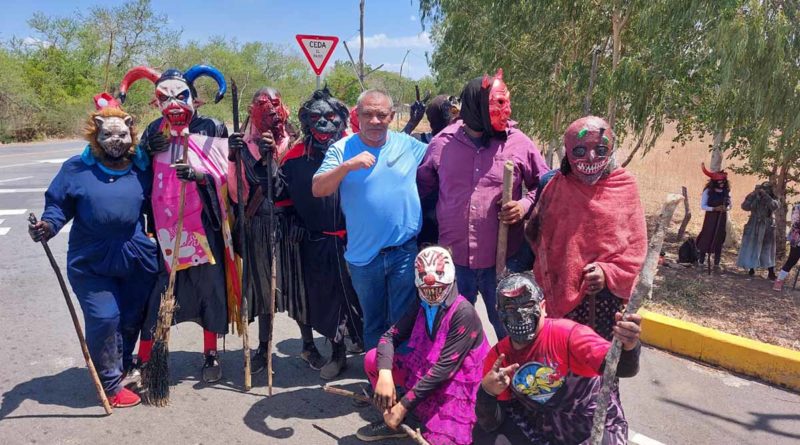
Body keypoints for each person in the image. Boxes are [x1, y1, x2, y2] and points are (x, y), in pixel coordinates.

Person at [29, 94, 159, 407]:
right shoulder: (76, 169)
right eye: (108, 134)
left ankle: (121, 363)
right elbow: (59, 205)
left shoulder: (142, 167)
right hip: (91, 259)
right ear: (96, 134)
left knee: (131, 317)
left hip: (136, 255)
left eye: (122, 134)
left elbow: (158, 204)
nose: (116, 140)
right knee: (104, 317)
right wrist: (48, 226)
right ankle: (111, 385)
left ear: (131, 132)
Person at [118, 65, 236, 383]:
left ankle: (210, 354)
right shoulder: (155, 131)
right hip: (166, 228)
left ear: (195, 100)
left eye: (180, 96)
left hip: (204, 225)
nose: (173, 105)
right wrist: (145, 149)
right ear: (156, 102)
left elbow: (227, 175)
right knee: (159, 294)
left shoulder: (212, 127)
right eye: (164, 98)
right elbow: (139, 174)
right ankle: (145, 357)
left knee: (209, 290)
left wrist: (200, 177)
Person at [418, 69, 547, 339]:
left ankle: (508, 380)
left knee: (510, 334)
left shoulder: (519, 143)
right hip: (453, 261)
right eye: (498, 104)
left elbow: (544, 185)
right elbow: (423, 189)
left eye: (507, 101)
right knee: (456, 336)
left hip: (501, 263)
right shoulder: (443, 144)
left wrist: (523, 205)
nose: (506, 109)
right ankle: (468, 380)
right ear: (476, 106)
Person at [312, 89, 428, 350]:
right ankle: (377, 379)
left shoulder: (407, 145)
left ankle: (399, 380)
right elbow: (318, 188)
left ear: (392, 116)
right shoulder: (342, 149)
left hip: (403, 253)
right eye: (368, 114)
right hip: (364, 258)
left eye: (381, 115)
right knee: (373, 323)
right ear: (357, 116)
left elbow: (444, 155)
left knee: (402, 321)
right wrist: (346, 167)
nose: (375, 121)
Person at [474, 273, 642, 445]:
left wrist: (629, 345)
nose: (519, 314)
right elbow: (490, 423)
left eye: (528, 305)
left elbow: (622, 368)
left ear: (543, 307)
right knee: (485, 437)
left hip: (591, 427)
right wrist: (487, 392)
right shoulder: (499, 357)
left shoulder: (568, 334)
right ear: (499, 312)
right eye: (510, 308)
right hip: (543, 431)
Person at [526, 115, 646, 341]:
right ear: (568, 152)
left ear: (611, 150)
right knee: (558, 362)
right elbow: (537, 236)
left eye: (600, 150)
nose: (591, 157)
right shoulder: (555, 187)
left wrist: (607, 272)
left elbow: (635, 248)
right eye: (580, 151)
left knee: (599, 365)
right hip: (561, 294)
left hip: (607, 302)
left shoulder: (625, 187)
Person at [356, 246, 489, 444]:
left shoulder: (464, 313)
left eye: (437, 288)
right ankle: (397, 419)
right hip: (429, 372)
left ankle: (403, 410)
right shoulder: (421, 303)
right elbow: (389, 337)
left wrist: (403, 404)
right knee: (373, 359)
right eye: (426, 289)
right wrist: (384, 373)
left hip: (455, 386)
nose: (432, 295)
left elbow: (444, 370)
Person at [275, 88, 364, 379]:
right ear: (305, 122)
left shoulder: (357, 152)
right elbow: (282, 200)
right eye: (316, 118)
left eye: (330, 117)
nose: (324, 124)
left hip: (358, 241)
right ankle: (337, 354)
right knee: (328, 300)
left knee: (363, 298)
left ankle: (374, 355)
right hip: (316, 242)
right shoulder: (294, 159)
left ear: (341, 119)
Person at [227, 87, 311, 372]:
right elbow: (237, 195)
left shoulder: (295, 143)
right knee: (264, 288)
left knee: (298, 287)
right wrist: (233, 158)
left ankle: (308, 344)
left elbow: (294, 187)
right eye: (263, 105)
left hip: (289, 223)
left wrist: (273, 158)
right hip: (259, 223)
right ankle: (263, 349)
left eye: (275, 103)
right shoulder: (244, 146)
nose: (271, 110)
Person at [736, 182, 778, 278]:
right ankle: (751, 268)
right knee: (753, 246)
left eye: (766, 190)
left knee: (768, 249)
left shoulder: (773, 198)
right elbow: (744, 207)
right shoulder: (755, 197)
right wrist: (752, 195)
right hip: (754, 223)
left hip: (767, 225)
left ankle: (771, 271)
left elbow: (774, 206)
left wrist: (766, 196)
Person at [696, 163, 732, 270]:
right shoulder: (708, 191)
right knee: (707, 236)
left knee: (719, 237)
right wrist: (714, 208)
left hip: (722, 218)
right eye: (719, 182)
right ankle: (701, 261)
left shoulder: (727, 192)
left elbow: (730, 205)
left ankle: (716, 263)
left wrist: (726, 208)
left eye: (723, 182)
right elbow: (703, 206)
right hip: (710, 218)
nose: (721, 184)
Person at [773, 203, 800, 291]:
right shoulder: (798, 207)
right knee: (792, 260)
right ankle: (779, 280)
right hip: (797, 239)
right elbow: (796, 223)